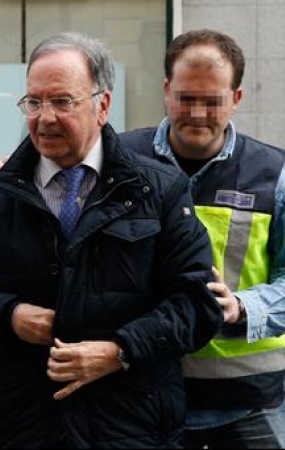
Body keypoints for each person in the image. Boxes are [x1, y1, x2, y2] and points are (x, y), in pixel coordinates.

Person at [0, 31, 223, 448]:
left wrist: (119, 351)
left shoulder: (158, 190)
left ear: (102, 105)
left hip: (133, 427)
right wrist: (11, 315)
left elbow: (197, 303)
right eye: (34, 101)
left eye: (62, 101)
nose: (44, 117)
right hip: (30, 425)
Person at [119, 29, 285, 448]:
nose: (197, 112)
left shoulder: (275, 174)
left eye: (212, 100)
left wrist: (243, 306)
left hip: (254, 403)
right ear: (165, 90)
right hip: (143, 392)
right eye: (185, 97)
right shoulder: (117, 161)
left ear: (237, 98)